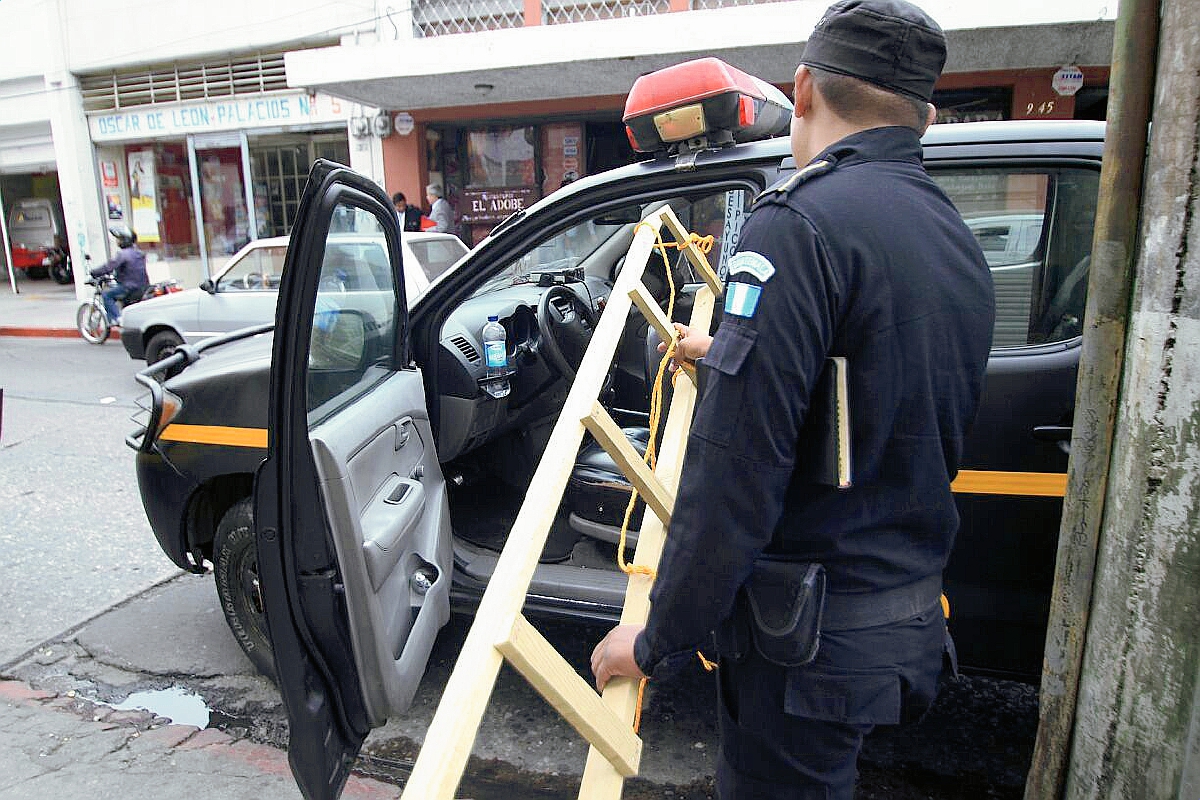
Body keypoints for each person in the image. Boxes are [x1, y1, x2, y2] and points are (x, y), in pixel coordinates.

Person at [590, 2, 996, 797]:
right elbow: (878, 385)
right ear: (925, 114)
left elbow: (733, 474)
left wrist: (655, 639)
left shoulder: (797, 225)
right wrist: (742, 354)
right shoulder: (952, 234)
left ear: (803, 88)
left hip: (804, 645)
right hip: (900, 620)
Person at [89, 224, 148, 326]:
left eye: (119, 239)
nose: (117, 241)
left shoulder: (123, 254)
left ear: (125, 240)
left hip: (129, 287)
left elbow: (108, 267)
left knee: (106, 294)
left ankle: (117, 318)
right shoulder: (138, 253)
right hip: (142, 286)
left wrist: (93, 272)